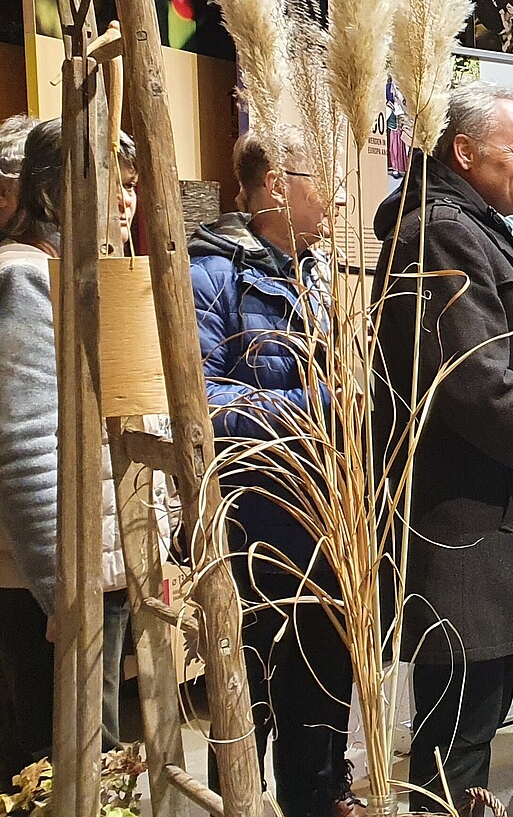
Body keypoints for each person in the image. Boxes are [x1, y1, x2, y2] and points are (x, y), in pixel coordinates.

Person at [371, 81, 513, 811]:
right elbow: (475, 385)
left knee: (469, 731)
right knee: (457, 741)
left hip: (498, 523)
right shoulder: (438, 230)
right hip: (469, 533)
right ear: (465, 152)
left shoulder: (476, 225)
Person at [191, 128, 364, 817]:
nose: (339, 196)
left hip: (325, 520)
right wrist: (321, 404)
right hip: (251, 528)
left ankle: (319, 798)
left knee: (323, 694)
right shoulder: (214, 275)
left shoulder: (318, 275)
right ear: (274, 187)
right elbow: (200, 401)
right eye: (321, 179)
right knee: (247, 699)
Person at [0, 119, 168, 790]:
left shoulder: (86, 275)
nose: (125, 200)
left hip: (96, 568)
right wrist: (59, 597)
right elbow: (28, 452)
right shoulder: (27, 281)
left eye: (129, 186)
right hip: (57, 581)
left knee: (85, 760)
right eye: (108, 183)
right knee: (59, 770)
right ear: (48, 191)